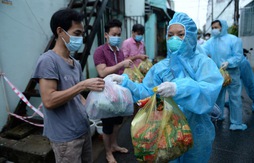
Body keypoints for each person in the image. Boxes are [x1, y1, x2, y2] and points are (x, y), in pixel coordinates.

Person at [109, 12, 223, 163]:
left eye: (180, 34)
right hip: (166, 132)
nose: (174, 39)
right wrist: (125, 82)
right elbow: (146, 92)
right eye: (170, 35)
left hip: (197, 131)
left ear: (190, 36)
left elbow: (209, 91)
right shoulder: (161, 67)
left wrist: (178, 89)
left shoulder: (203, 63)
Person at [32, 9, 105, 163]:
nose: (80, 38)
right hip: (66, 137)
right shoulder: (48, 61)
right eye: (76, 33)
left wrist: (94, 107)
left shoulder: (76, 63)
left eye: (82, 34)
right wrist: (82, 85)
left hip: (83, 129)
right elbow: (49, 100)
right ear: (60, 31)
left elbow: (77, 96)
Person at [93, 19, 133, 163]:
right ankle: (108, 152)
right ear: (106, 35)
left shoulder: (120, 52)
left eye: (119, 34)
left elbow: (121, 74)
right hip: (105, 94)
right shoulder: (100, 51)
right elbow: (102, 72)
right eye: (114, 34)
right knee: (107, 125)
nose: (117, 37)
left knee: (117, 122)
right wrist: (122, 64)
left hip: (119, 94)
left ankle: (114, 145)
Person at [202, 20, 247, 130]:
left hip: (232, 73)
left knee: (235, 97)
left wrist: (229, 62)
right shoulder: (211, 41)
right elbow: (201, 50)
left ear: (223, 27)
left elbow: (238, 56)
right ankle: (219, 115)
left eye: (216, 27)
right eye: (212, 27)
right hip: (218, 73)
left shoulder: (233, 40)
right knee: (218, 97)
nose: (214, 30)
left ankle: (236, 122)